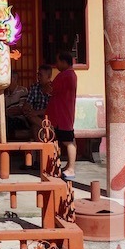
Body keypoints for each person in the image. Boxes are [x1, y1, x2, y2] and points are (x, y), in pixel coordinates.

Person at [47, 52, 77, 180]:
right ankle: (69, 166)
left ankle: (71, 169)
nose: (56, 64)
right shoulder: (72, 75)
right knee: (69, 140)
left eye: (58, 61)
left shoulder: (64, 75)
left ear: (64, 62)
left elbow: (51, 89)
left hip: (62, 114)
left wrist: (46, 81)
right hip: (66, 113)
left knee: (67, 141)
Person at [23, 64, 52, 135]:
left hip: (48, 117)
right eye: (38, 75)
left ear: (48, 77)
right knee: (30, 116)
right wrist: (29, 109)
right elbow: (27, 104)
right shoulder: (34, 87)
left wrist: (37, 112)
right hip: (34, 117)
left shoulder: (53, 88)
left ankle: (46, 127)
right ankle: (47, 128)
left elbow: (52, 109)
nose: (38, 77)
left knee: (35, 127)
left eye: (40, 75)